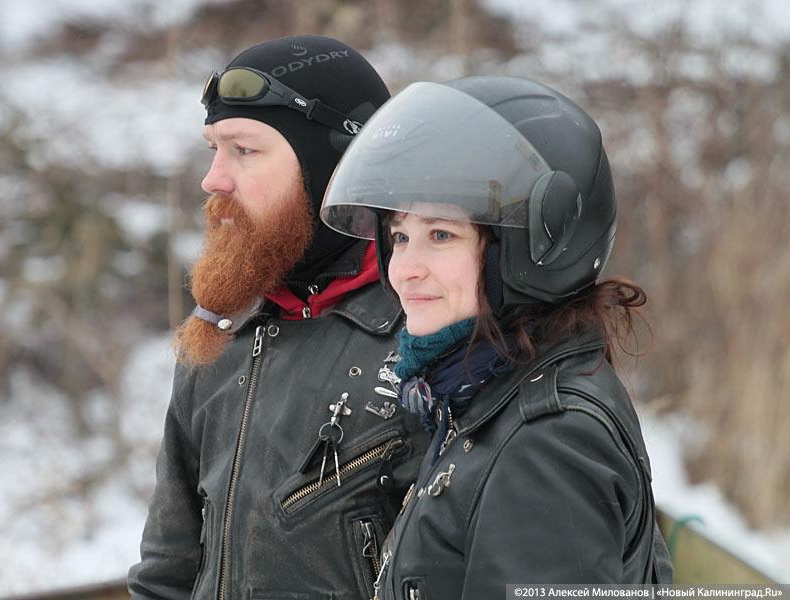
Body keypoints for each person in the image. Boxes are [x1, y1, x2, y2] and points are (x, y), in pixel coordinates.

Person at [320, 75, 674, 598]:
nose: (404, 269)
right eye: (400, 236)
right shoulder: (484, 398)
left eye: (441, 234)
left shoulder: (547, 443)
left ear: (532, 248)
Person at [127, 35, 428, 600]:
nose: (213, 179)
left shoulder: (435, 336)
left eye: (244, 150)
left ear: (337, 169)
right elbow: (165, 575)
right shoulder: (220, 335)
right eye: (213, 149)